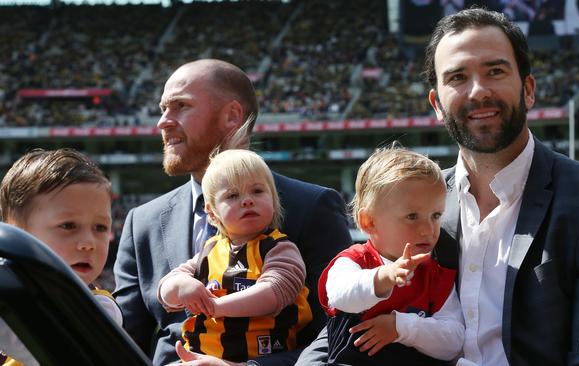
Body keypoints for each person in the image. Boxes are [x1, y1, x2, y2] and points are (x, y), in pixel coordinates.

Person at [297, 7, 579, 366]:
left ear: (528, 89)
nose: (478, 91)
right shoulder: (418, 201)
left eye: (495, 71)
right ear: (436, 104)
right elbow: (346, 326)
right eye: (458, 77)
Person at [112, 59, 351, 366]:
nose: (163, 122)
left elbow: (338, 331)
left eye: (180, 106)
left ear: (232, 116)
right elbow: (122, 340)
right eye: (163, 109)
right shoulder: (141, 221)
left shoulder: (312, 206)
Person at [157, 148, 312, 362]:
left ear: (274, 199)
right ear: (212, 212)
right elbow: (166, 290)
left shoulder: (278, 247)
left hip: (259, 357)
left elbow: (275, 292)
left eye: (257, 191)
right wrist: (181, 285)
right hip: (200, 355)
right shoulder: (210, 250)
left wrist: (216, 307)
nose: (247, 200)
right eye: (232, 195)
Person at [318, 146, 464, 365]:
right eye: (412, 216)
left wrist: (400, 327)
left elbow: (453, 341)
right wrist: (385, 276)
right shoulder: (353, 261)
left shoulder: (437, 274)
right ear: (369, 222)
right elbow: (341, 296)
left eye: (435, 215)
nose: (428, 229)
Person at [0, 148, 122, 366]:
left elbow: (51, 350)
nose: (88, 243)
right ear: (15, 233)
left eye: (100, 227)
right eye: (68, 226)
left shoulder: (101, 308)